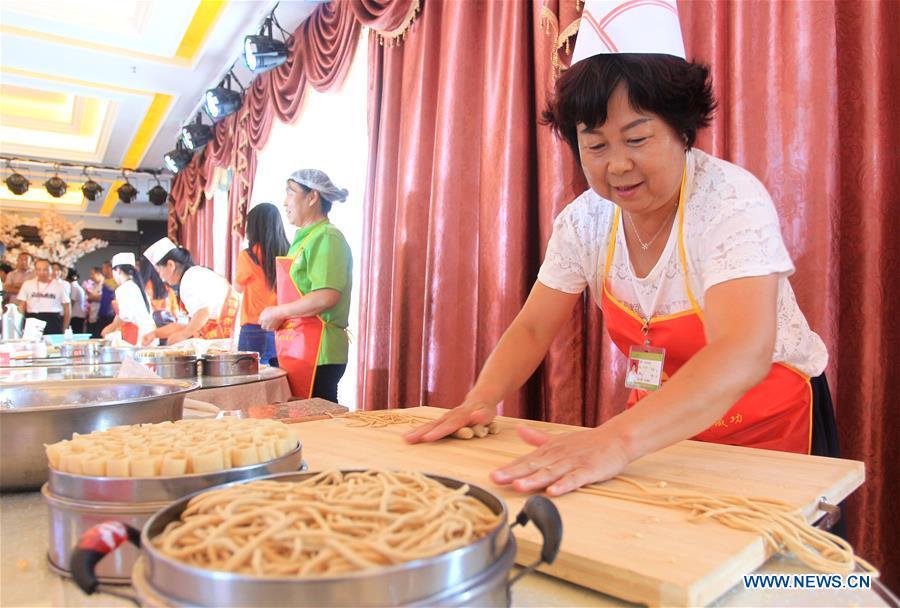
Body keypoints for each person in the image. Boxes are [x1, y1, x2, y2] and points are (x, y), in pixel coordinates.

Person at [406, 0, 836, 498]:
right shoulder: (584, 221)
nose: (617, 166)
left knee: (776, 577)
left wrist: (613, 440)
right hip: (657, 434)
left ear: (682, 129)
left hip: (766, 428)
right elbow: (532, 326)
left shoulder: (728, 202)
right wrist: (482, 399)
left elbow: (742, 352)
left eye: (637, 138)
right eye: (596, 145)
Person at [259, 169, 352, 402]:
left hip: (319, 351)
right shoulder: (306, 238)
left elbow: (326, 296)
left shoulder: (327, 236)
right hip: (300, 348)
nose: (285, 202)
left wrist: (279, 311)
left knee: (318, 425)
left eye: (291, 193)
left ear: (312, 198)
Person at [141, 238, 239, 345]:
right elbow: (185, 324)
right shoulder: (192, 275)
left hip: (229, 335)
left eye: (159, 270)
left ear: (170, 265)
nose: (160, 276)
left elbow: (203, 312)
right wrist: (154, 334)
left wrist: (183, 335)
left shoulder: (189, 279)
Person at [235, 203, 289, 365]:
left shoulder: (248, 256)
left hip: (254, 327)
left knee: (249, 381)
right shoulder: (289, 252)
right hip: (282, 327)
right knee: (278, 377)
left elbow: (238, 287)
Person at [16, 258, 70, 335]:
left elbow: (67, 307)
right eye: (38, 269)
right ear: (35, 270)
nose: (42, 272)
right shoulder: (27, 284)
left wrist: (65, 328)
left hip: (53, 319)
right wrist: (20, 324)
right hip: (32, 318)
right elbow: (21, 305)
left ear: (51, 270)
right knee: (32, 345)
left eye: (45, 269)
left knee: (53, 346)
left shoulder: (59, 286)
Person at [139, 259, 179, 328]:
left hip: (145, 330)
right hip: (165, 330)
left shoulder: (138, 289)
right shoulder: (168, 290)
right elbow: (175, 315)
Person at [84, 266, 104, 337]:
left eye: (93, 274)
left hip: (100, 318)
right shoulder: (94, 285)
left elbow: (100, 298)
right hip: (91, 317)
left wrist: (92, 297)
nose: (91, 276)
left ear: (98, 274)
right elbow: (90, 298)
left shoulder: (104, 285)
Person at [67, 268, 88, 334]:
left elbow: (72, 302)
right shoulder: (76, 286)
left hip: (76, 316)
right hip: (78, 315)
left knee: (76, 334)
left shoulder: (73, 286)